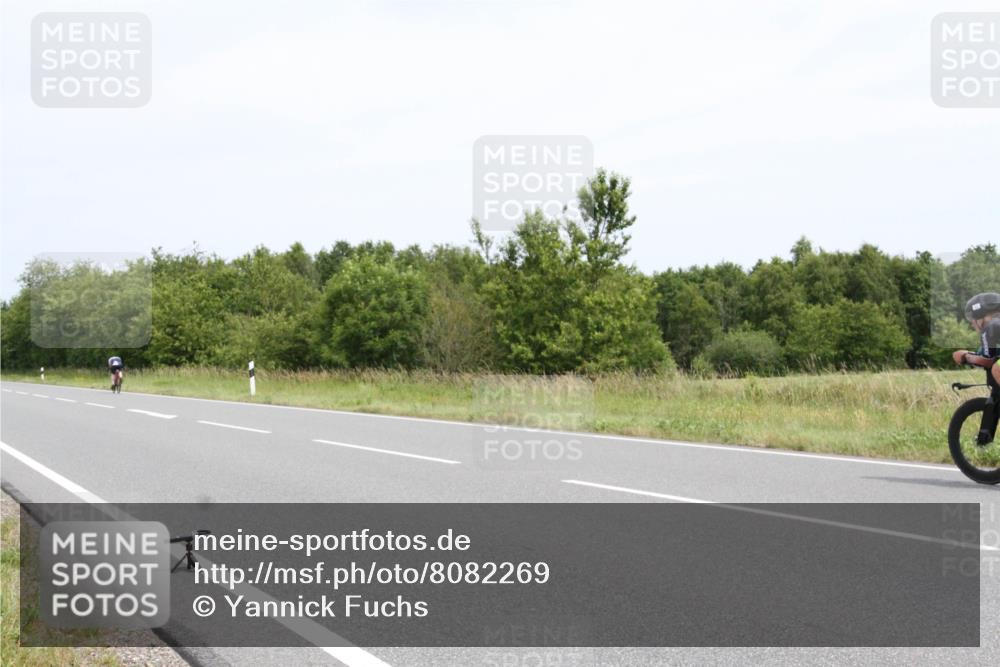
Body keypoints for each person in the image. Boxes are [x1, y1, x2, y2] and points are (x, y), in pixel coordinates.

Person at [952, 292, 1000, 387]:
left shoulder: (991, 326)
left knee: (998, 368)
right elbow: (993, 354)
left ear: (981, 317)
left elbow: (987, 360)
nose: (972, 324)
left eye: (973, 319)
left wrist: (965, 356)